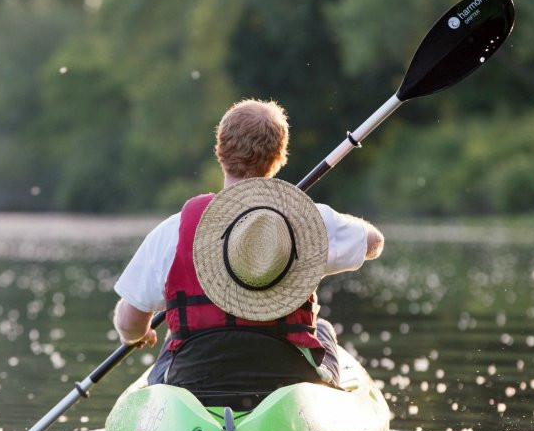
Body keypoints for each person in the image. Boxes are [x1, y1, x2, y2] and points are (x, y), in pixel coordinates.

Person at [112, 99, 384, 408]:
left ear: (221, 151)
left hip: (194, 381)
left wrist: (136, 335)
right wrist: (316, 247)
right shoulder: (312, 221)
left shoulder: (173, 230)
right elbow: (374, 243)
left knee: (173, 341)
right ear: (279, 156)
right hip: (286, 379)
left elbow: (130, 318)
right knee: (322, 328)